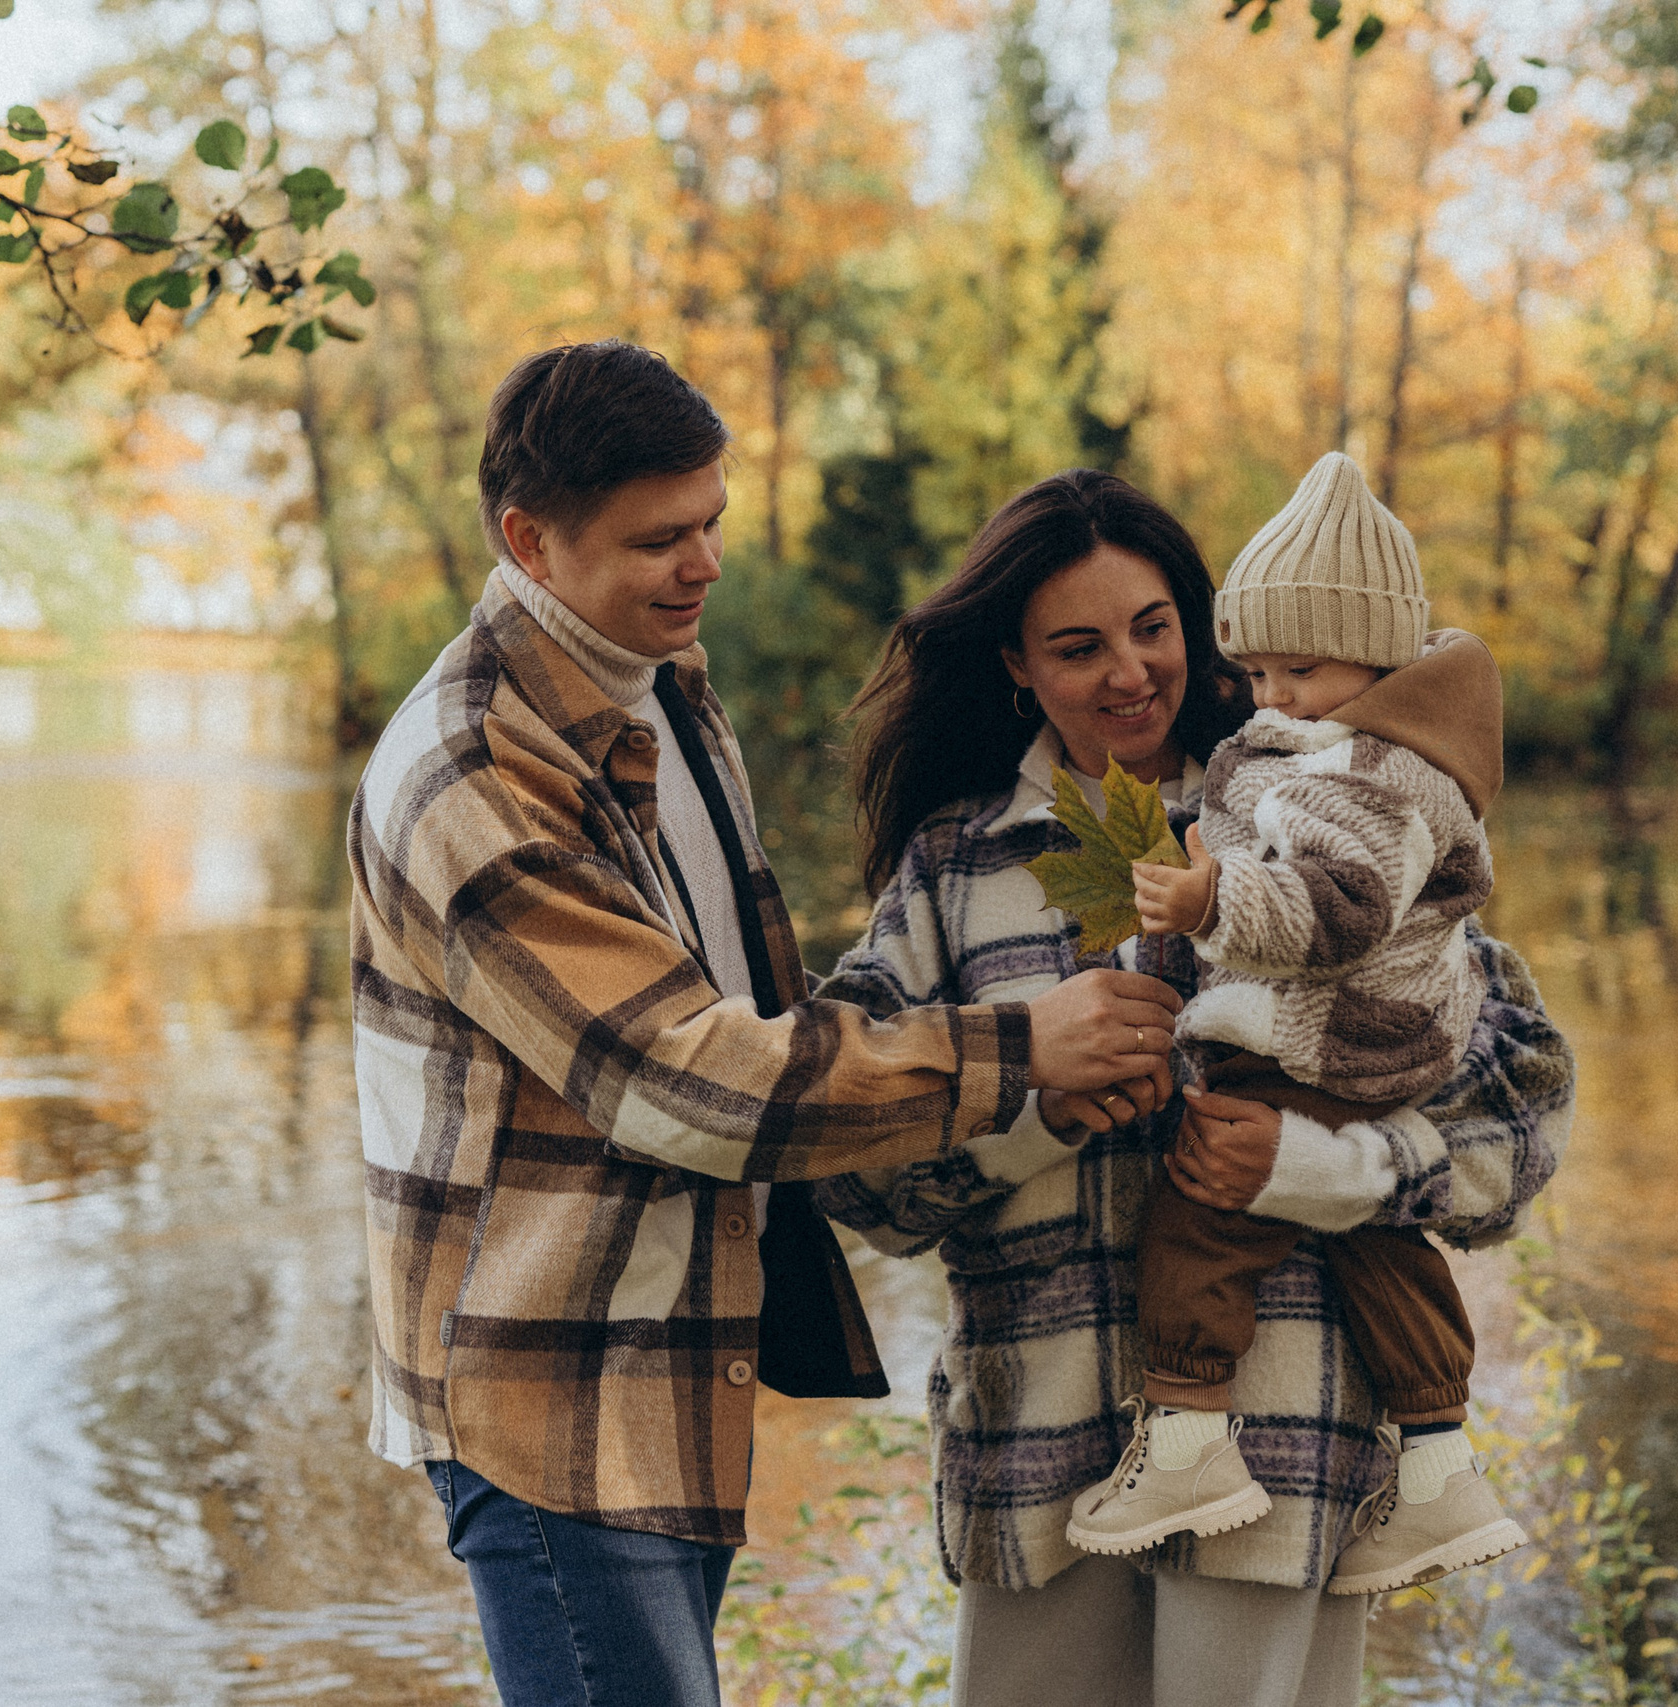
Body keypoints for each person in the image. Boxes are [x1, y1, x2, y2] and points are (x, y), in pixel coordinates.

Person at [345, 342, 1183, 1707]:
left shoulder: (656, 680)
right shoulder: (469, 770)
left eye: (711, 523)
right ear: (529, 542)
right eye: (659, 537)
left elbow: (761, 999)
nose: (705, 564)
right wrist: (1021, 1046)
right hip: (550, 1385)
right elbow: (688, 1073)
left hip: (671, 1348)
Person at [812, 469, 1576, 1707]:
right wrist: (1034, 1107)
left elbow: (1519, 1116)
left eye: (1153, 628)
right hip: (1037, 1458)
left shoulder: (1328, 806)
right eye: (1077, 646)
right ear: (1013, 662)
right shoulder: (952, 868)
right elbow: (851, 1170)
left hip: (1287, 1455)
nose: (1128, 673)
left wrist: (1321, 1171)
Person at [1066, 451, 1527, 1597]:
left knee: (1203, 1216)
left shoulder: (1371, 771)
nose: (1269, 696)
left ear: (1374, 653)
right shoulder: (1344, 746)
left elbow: (1341, 903)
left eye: (1297, 669)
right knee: (1378, 1244)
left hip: (1330, 1032)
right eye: (1257, 670)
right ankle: (1435, 1467)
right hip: (1363, 1040)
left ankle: (1184, 1437)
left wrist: (1210, 898)